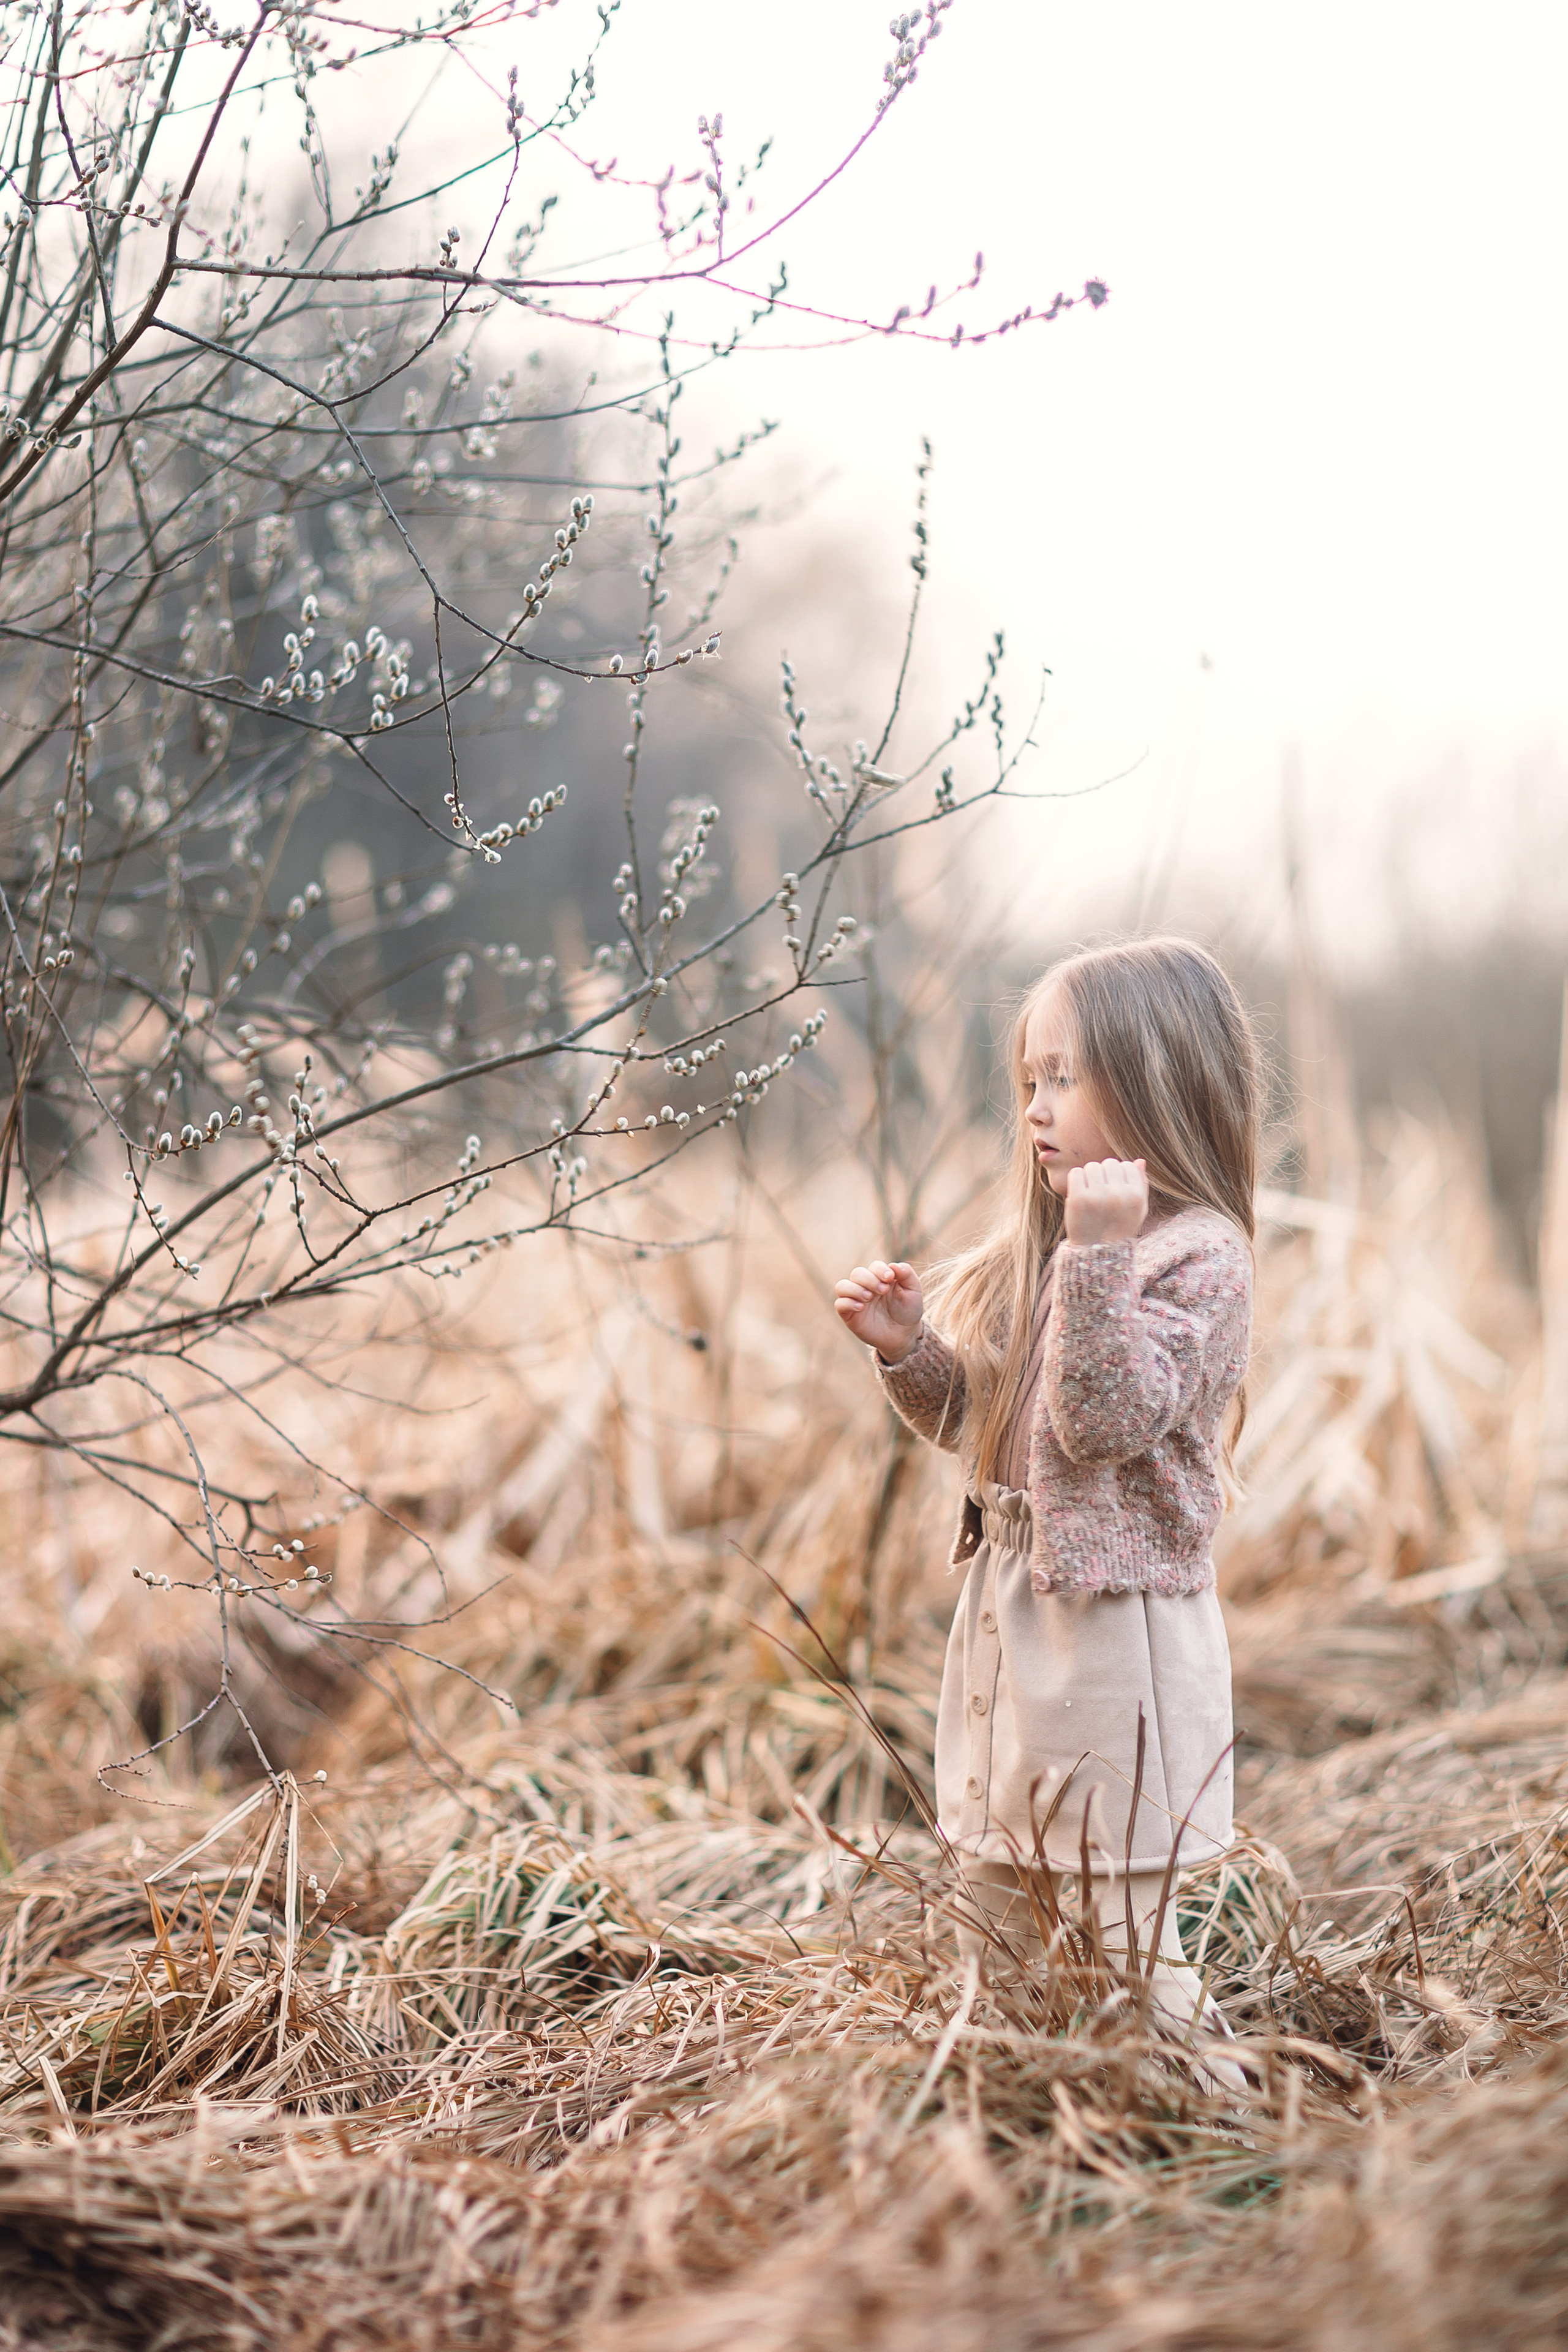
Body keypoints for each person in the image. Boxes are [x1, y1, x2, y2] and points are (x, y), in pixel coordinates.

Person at [834, 937, 1257, 2080]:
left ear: (1158, 1077)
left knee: (1118, 1908)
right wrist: (912, 1354)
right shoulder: (1063, 1250)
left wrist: (1100, 1262)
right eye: (1028, 1081)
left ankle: (1199, 2112)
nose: (1036, 1108)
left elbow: (1103, 1422)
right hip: (1014, 1608)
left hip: (1116, 1635)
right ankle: (1023, 2097)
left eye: (1063, 1077)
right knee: (1002, 1889)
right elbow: (995, 1422)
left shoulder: (1193, 1259)